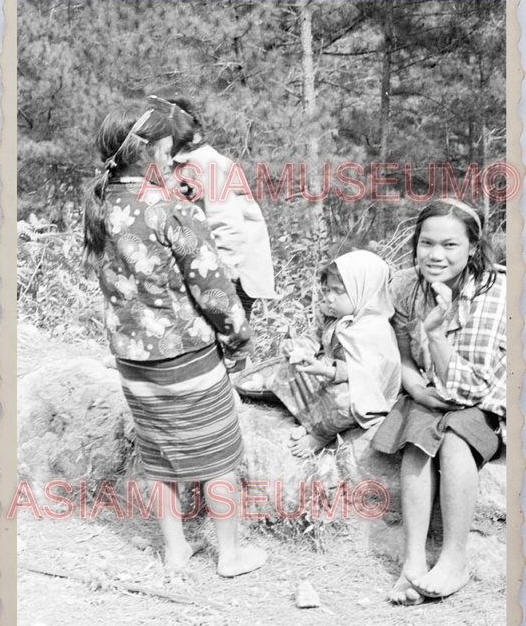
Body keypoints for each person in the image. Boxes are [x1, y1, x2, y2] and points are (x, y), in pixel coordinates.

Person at [83, 99, 267, 578]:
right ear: (152, 148)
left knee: (159, 453)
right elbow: (214, 291)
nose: (175, 154)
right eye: (170, 145)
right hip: (187, 355)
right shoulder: (172, 211)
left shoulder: (102, 205)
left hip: (132, 361)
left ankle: (175, 549)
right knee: (219, 452)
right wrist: (239, 341)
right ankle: (229, 555)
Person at [371, 199, 506, 604]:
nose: (435, 255)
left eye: (449, 245)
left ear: (473, 247)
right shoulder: (408, 285)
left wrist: (435, 335)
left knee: (453, 437)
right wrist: (412, 385)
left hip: (488, 398)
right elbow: (401, 351)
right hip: (434, 392)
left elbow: (472, 390)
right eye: (426, 243)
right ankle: (412, 563)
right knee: (417, 434)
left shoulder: (495, 292)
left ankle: (454, 559)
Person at [247, 250, 401, 457]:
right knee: (284, 373)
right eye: (326, 290)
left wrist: (328, 371)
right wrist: (297, 348)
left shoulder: (375, 331)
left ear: (363, 291)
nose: (329, 298)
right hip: (326, 376)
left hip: (358, 390)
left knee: (344, 404)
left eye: (338, 291)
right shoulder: (331, 315)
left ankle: (319, 436)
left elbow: (369, 375)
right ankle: (312, 421)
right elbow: (314, 339)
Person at [147, 94, 277, 324]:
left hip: (237, 268)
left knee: (230, 331)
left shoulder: (207, 163)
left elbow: (227, 225)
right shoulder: (177, 163)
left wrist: (223, 273)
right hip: (209, 263)